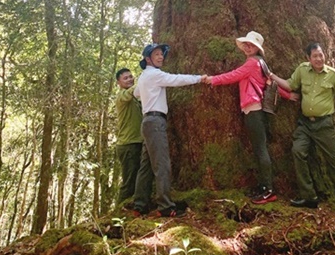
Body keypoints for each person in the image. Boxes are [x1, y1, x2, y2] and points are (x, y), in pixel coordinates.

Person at [207, 30, 295, 204]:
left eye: (252, 45)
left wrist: (212, 80)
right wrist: (288, 95)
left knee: (260, 149)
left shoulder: (252, 63)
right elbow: (270, 83)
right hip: (256, 109)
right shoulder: (262, 64)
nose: (248, 47)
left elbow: (233, 75)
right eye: (246, 44)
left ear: (258, 48)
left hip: (254, 109)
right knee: (258, 148)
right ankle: (263, 187)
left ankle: (268, 190)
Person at [269, 42, 335, 217]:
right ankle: (309, 196)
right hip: (305, 124)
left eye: (321, 55)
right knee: (298, 151)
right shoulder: (302, 70)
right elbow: (289, 85)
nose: (319, 59)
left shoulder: (332, 75)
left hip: (324, 124)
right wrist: (272, 76)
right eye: (315, 56)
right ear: (308, 58)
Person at [131, 43, 206, 217]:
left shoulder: (144, 77)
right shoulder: (154, 74)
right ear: (148, 59)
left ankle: (139, 204)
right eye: (156, 54)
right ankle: (165, 206)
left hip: (148, 122)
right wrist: (198, 78)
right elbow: (176, 79)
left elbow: (136, 93)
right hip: (155, 122)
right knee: (162, 164)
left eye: (161, 54)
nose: (161, 57)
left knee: (146, 165)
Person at [113, 67, 145, 204]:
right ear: (119, 83)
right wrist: (148, 79)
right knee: (129, 182)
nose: (130, 79)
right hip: (127, 145)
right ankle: (118, 215)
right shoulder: (122, 97)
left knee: (138, 179)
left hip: (137, 142)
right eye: (125, 78)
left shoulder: (136, 100)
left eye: (131, 77)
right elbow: (131, 92)